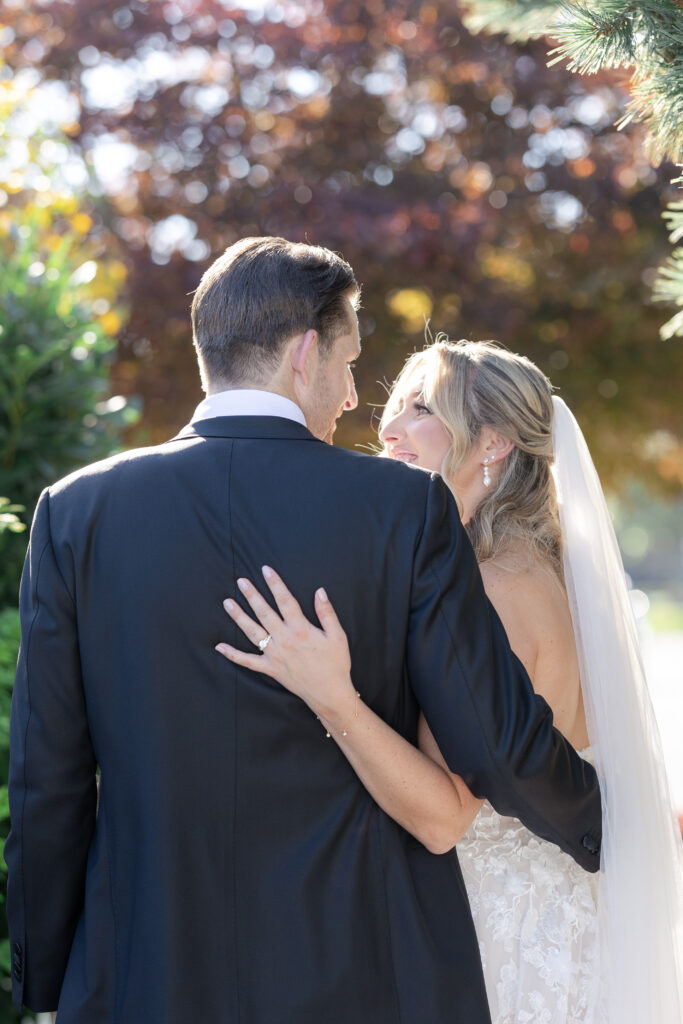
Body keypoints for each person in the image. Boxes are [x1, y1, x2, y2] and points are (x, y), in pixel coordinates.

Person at [6, 240, 601, 1024]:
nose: (354, 397)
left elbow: (47, 777)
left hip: (145, 967)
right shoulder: (403, 509)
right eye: (350, 362)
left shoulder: (76, 511)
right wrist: (603, 827)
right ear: (305, 352)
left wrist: (48, 979)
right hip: (360, 966)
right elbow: (498, 741)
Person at [219, 338, 683, 1023]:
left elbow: (443, 817)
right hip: (563, 924)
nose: (387, 427)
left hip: (501, 944)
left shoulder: (490, 590)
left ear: (491, 444)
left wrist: (329, 693)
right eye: (393, 405)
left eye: (420, 408)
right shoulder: (540, 571)